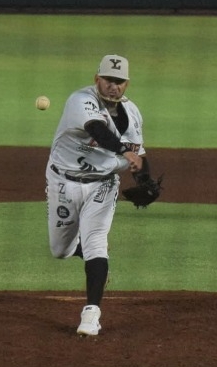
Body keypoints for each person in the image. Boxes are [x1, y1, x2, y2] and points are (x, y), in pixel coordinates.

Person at [45, 54, 152, 339]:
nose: (112, 87)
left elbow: (139, 156)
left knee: (96, 242)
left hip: (103, 185)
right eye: (108, 80)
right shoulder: (80, 100)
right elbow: (97, 129)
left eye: (119, 82)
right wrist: (123, 151)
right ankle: (87, 256)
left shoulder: (133, 114)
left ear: (127, 84)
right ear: (97, 79)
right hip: (62, 181)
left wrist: (146, 180)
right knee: (60, 250)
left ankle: (91, 313)